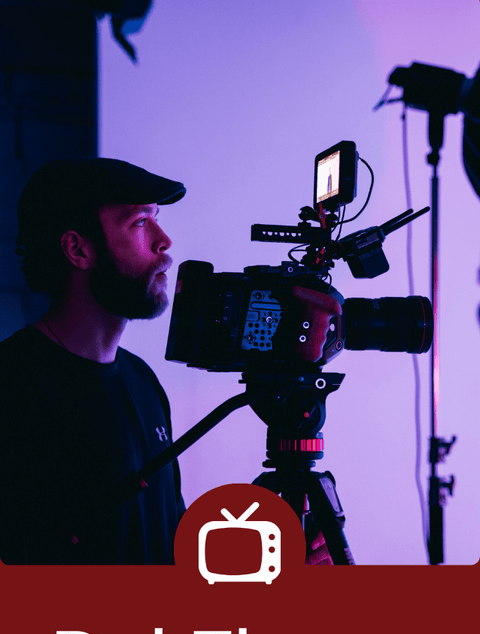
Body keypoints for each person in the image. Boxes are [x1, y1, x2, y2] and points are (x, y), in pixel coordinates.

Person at [0, 157, 339, 565]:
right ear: (77, 249)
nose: (164, 241)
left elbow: (166, 544)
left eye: (156, 219)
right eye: (140, 222)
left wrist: (261, 562)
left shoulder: (142, 380)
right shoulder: (15, 385)